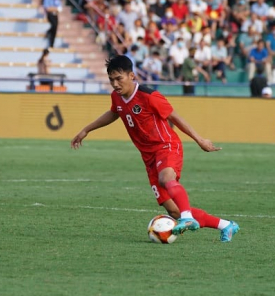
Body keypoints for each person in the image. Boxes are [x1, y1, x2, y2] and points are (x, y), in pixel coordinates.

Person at [71, 56, 240, 242]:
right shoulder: (116, 98)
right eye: (111, 79)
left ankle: (188, 218)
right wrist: (86, 129)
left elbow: (175, 117)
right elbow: (114, 112)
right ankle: (226, 225)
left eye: (119, 78)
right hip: (148, 158)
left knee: (166, 179)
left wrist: (199, 140)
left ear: (132, 76)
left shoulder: (149, 96)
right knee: (173, 210)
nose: (115, 84)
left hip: (166, 146)